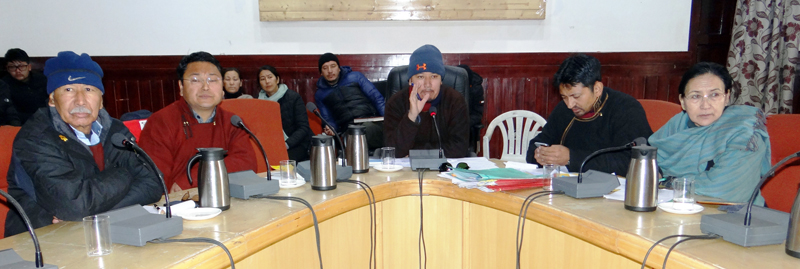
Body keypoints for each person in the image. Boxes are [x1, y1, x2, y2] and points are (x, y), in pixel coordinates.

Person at [4, 51, 162, 237]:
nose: (80, 100)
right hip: (42, 240)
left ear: (101, 101)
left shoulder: (115, 130)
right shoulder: (36, 138)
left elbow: (153, 184)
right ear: (52, 99)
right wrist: (125, 173)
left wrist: (95, 215)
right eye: (68, 89)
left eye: (89, 89)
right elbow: (76, 204)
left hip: (104, 231)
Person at [649, 62, 770, 204]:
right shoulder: (677, 124)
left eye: (714, 95)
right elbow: (650, 165)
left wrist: (669, 182)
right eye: (695, 96)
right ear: (682, 101)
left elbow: (723, 188)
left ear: (726, 97)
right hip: (678, 208)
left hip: (734, 217)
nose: (705, 105)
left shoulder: (745, 132)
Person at [138, 51, 257, 193]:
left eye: (212, 80)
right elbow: (155, 180)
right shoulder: (161, 122)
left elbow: (246, 163)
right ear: (181, 87)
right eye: (195, 80)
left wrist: (192, 178)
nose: (205, 87)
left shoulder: (233, 122)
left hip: (226, 199)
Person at [526, 54, 652, 175]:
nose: (570, 104)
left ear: (597, 89)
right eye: (564, 97)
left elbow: (632, 162)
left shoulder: (626, 109)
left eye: (576, 96)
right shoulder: (564, 109)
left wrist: (571, 158)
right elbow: (537, 144)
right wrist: (540, 154)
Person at [384, 44, 469, 158]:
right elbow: (392, 151)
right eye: (420, 77)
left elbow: (459, 149)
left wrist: (415, 153)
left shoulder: (455, 101)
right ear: (410, 80)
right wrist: (411, 117)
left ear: (441, 81)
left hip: (445, 170)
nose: (427, 84)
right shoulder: (396, 103)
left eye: (434, 77)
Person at [314, 52, 385, 149]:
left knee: (364, 131)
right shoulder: (320, 94)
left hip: (370, 121)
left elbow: (376, 98)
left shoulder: (355, 77)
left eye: (333, 66)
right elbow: (328, 119)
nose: (330, 71)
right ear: (321, 73)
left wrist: (389, 120)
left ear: (339, 68)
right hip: (348, 129)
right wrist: (331, 129)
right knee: (354, 135)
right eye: (325, 68)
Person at [256, 65, 313, 161]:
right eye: (262, 79)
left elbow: (303, 127)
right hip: (272, 145)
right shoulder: (259, 102)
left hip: (297, 144)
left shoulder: (293, 97)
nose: (267, 81)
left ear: (277, 80)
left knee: (282, 160)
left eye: (270, 77)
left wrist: (286, 144)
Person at [2, 48, 49, 125]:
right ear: (7, 69)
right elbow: (8, 113)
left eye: (21, 66)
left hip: (45, 121)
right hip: (20, 124)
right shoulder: (4, 85)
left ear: (29, 67)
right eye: (12, 67)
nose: (18, 70)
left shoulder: (42, 80)